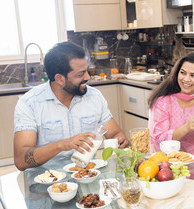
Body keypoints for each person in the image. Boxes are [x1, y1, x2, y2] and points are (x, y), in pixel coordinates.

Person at [14, 41, 128, 171]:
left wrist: (120, 140)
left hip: (88, 176)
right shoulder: (30, 103)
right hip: (47, 180)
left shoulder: (94, 96)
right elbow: (21, 160)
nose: (87, 77)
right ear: (59, 79)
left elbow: (114, 133)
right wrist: (62, 145)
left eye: (87, 71)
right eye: (80, 74)